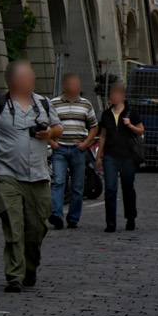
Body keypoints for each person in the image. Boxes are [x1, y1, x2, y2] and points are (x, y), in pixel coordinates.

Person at [0, 60, 62, 293]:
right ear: (14, 81)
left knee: (35, 229)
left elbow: (58, 129)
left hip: (39, 176)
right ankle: (14, 276)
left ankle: (30, 268)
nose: (32, 80)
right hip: (8, 175)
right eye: (27, 77)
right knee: (13, 226)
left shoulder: (42, 103)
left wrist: (49, 132)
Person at [48, 73, 98, 230]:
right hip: (60, 148)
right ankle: (56, 214)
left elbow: (94, 126)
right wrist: (51, 142)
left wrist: (86, 143)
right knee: (58, 182)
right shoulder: (54, 103)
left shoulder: (86, 104)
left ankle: (73, 218)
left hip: (78, 148)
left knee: (77, 186)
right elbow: (45, 125)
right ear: (65, 86)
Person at [96, 81, 142, 232]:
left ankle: (130, 217)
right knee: (110, 188)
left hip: (127, 155)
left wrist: (130, 125)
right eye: (111, 95)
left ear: (122, 95)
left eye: (115, 94)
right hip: (110, 155)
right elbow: (102, 136)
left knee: (128, 187)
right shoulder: (106, 114)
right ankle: (110, 222)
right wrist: (99, 156)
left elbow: (141, 130)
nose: (112, 97)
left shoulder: (131, 112)